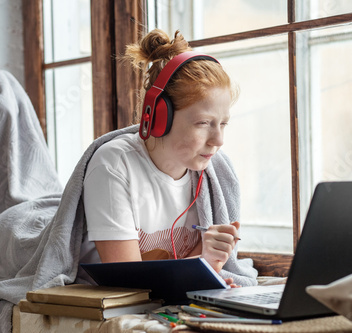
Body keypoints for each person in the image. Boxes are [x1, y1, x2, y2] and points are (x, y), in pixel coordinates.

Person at [82, 29, 257, 287]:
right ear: (159, 116)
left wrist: (207, 262)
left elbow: (184, 272)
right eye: (203, 123)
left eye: (223, 124)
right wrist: (203, 263)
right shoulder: (114, 165)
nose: (218, 141)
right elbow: (130, 284)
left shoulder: (214, 173)